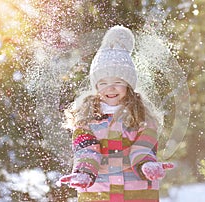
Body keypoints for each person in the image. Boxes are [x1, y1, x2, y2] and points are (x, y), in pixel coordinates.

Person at [57, 25, 173, 202]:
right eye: (102, 83)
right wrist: (84, 172)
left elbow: (144, 145)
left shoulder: (142, 117)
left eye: (118, 81)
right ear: (96, 87)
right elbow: (86, 150)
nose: (110, 88)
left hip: (136, 192)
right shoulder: (86, 119)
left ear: (129, 85)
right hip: (99, 193)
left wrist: (146, 164)